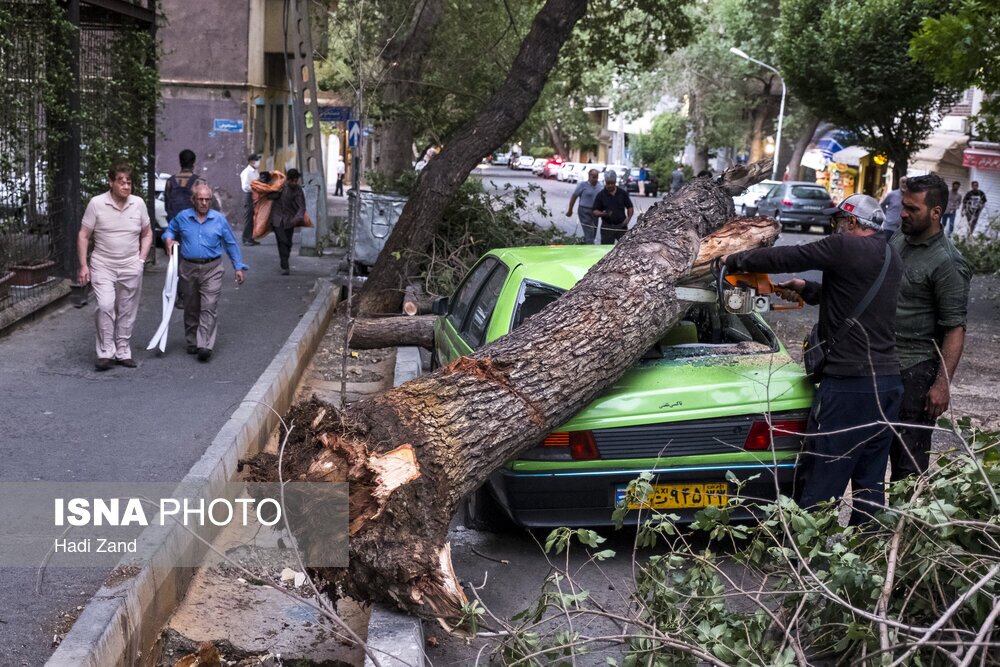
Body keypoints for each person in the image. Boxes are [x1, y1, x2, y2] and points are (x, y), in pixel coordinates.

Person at [723, 194, 904, 525]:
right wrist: (807, 288)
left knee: (825, 476)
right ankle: (864, 556)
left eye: (838, 222)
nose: (835, 229)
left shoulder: (844, 247)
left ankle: (808, 557)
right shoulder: (890, 254)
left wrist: (735, 260)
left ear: (851, 223)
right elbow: (854, 296)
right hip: (888, 383)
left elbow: (790, 256)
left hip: (850, 385)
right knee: (870, 482)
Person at [889, 174, 971, 481]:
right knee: (868, 456)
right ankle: (869, 529)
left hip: (915, 372)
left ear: (936, 213)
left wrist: (941, 385)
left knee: (907, 468)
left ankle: (904, 528)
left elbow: (955, 329)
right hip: (881, 364)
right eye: (903, 205)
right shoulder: (900, 237)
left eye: (912, 208)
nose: (903, 213)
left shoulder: (948, 263)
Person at [77, 163, 152, 371]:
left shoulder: (138, 204)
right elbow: (84, 235)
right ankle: (105, 352)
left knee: (127, 309)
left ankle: (123, 351)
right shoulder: (97, 204)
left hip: (130, 264)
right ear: (111, 183)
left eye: (129, 182)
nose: (126, 186)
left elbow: (147, 233)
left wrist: (141, 260)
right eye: (121, 182)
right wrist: (84, 265)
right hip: (103, 264)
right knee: (106, 305)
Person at [163, 182, 248, 362]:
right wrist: (169, 240)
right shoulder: (183, 217)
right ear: (193, 200)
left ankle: (205, 345)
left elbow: (231, 243)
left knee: (209, 305)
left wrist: (238, 267)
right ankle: (193, 340)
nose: (204, 203)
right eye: (200, 199)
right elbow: (170, 230)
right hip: (188, 267)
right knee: (191, 306)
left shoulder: (219, 219)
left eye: (207, 200)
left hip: (213, 268)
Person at [271, 168, 307, 275]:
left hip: (289, 220)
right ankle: (285, 266)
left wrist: (297, 218)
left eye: (296, 181)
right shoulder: (280, 186)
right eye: (293, 181)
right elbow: (269, 195)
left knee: (288, 243)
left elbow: (302, 206)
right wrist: (277, 191)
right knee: (282, 241)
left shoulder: (298, 190)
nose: (294, 183)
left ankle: (285, 261)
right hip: (277, 219)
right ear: (288, 180)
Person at [591, 170, 634, 245]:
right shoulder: (601, 195)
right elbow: (594, 211)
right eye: (608, 183)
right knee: (606, 251)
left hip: (621, 226)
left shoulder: (622, 193)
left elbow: (630, 207)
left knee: (625, 247)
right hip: (607, 227)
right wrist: (603, 214)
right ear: (605, 182)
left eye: (612, 183)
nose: (610, 185)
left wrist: (628, 218)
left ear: (615, 182)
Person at [565, 168, 602, 244]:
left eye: (597, 177)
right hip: (584, 211)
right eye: (593, 177)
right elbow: (574, 197)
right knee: (589, 232)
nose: (595, 179)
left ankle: (586, 245)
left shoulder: (600, 185)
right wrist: (570, 210)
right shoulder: (583, 185)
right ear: (589, 176)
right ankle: (590, 249)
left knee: (593, 232)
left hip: (595, 212)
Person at [240, 153, 262, 246]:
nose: (258, 162)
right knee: (248, 218)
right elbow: (245, 186)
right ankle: (246, 239)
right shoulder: (247, 172)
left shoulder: (255, 171)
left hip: (255, 195)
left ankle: (251, 238)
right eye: (256, 160)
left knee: (253, 218)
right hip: (249, 195)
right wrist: (256, 188)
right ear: (250, 162)